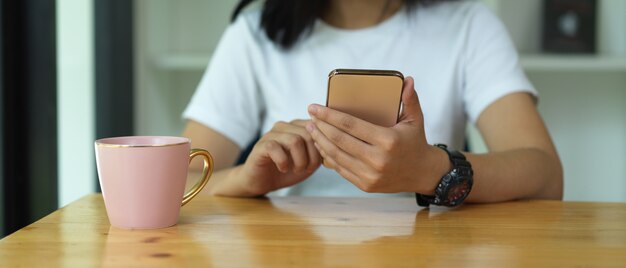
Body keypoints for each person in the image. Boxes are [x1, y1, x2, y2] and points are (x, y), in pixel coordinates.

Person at [182, 0, 563, 204]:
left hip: (426, 251)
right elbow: (180, 182)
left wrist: (432, 169)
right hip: (292, 252)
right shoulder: (254, 34)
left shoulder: (469, 24)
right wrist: (245, 179)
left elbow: (545, 176)